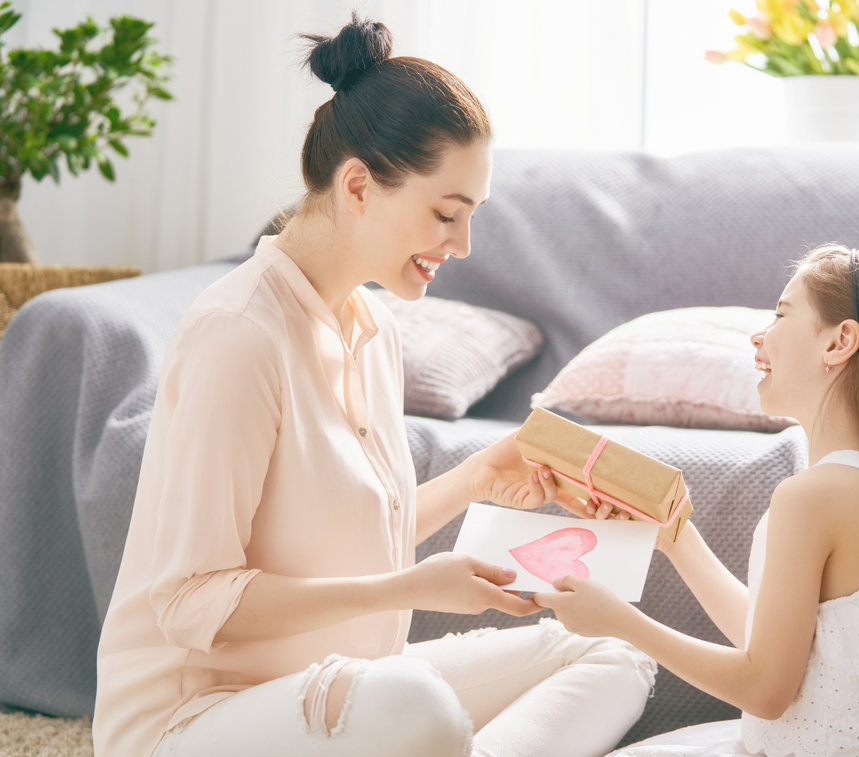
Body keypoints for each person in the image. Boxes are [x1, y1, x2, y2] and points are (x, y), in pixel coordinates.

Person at [92, 15, 654, 757]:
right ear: (357, 184)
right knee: (414, 705)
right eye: (446, 214)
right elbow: (191, 602)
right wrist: (410, 586)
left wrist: (486, 470)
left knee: (615, 652)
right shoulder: (240, 335)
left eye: (471, 216)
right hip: (195, 718)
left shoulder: (373, 330)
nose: (462, 245)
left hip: (338, 690)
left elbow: (348, 537)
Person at [536, 244, 859, 756]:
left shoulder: (814, 496)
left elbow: (766, 690)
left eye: (780, 314)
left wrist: (620, 622)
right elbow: (777, 647)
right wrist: (678, 538)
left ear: (840, 342)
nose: (759, 335)